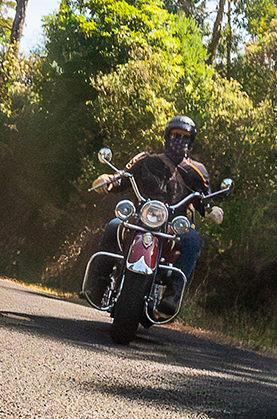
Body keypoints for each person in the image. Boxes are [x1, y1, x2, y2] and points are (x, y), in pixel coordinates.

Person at [84, 115, 211, 317]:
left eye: (184, 137)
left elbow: (205, 200)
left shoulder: (198, 171)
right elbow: (122, 178)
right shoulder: (146, 160)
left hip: (173, 228)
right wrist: (108, 180)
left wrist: (213, 210)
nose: (179, 141)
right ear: (166, 137)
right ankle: (97, 285)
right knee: (113, 225)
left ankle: (172, 294)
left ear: (191, 142)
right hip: (139, 219)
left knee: (194, 239)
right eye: (175, 135)